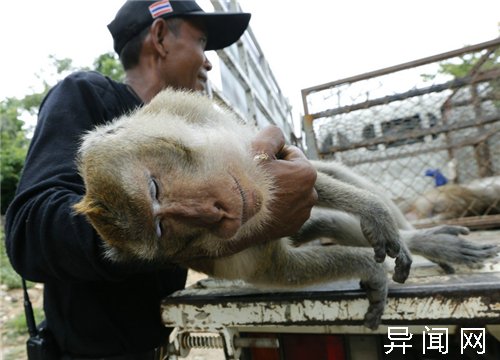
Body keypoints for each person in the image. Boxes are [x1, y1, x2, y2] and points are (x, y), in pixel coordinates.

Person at [4, 1, 317, 359]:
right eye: (201, 42)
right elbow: (29, 234)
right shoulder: (88, 96)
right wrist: (198, 231)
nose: (208, 60)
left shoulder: (196, 131)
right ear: (160, 37)